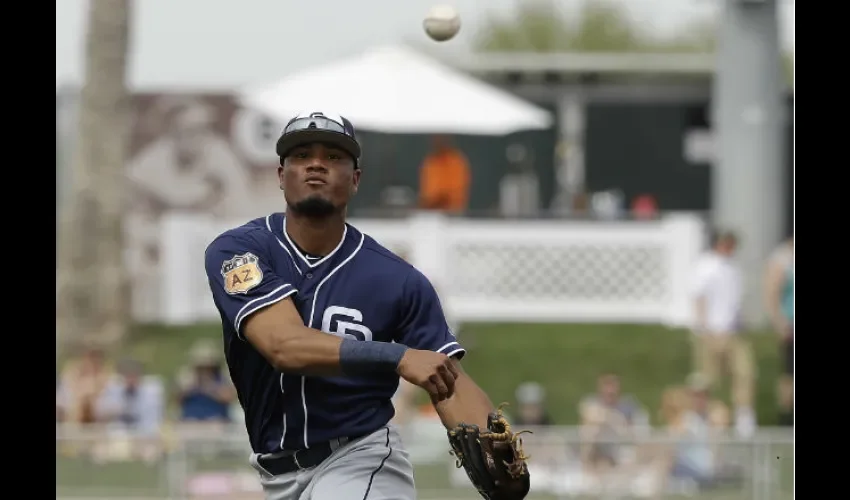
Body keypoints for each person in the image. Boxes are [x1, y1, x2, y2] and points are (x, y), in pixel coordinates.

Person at [203, 112, 516, 500]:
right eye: (302, 155)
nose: (317, 163)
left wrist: (496, 455)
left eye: (334, 157)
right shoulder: (240, 252)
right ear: (281, 176)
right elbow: (283, 345)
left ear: (355, 180)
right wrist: (397, 355)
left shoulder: (398, 281)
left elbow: (446, 377)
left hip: (360, 457)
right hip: (275, 472)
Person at [691, 230, 756, 437]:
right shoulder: (705, 266)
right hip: (711, 331)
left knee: (745, 372)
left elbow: (735, 301)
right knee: (708, 379)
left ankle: (743, 415)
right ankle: (704, 418)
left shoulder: (733, 269)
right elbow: (698, 297)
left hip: (732, 331)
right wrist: (705, 329)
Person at [765, 236, 794, 426]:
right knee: (789, 373)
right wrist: (779, 322)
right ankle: (786, 417)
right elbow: (772, 292)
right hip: (790, 324)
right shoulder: (782, 259)